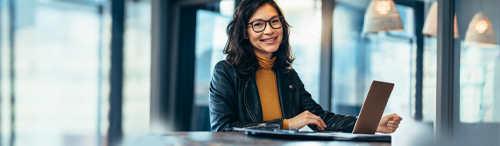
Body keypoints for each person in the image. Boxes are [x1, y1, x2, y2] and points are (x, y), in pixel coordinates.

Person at [209, 0, 402, 133]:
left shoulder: (287, 75)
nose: (269, 30)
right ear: (245, 33)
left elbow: (320, 118)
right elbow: (222, 128)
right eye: (258, 24)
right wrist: (286, 124)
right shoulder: (225, 72)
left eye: (274, 22)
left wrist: (373, 124)